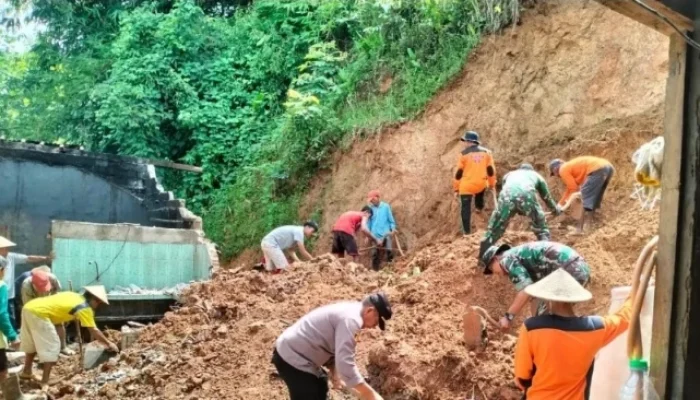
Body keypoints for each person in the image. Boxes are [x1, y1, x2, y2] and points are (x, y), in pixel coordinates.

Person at [514, 269, 632, 399]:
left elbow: (522, 378)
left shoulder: (531, 327)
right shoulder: (594, 328)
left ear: (549, 299)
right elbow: (624, 318)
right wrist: (636, 293)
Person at [272, 292, 392, 400]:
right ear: (369, 311)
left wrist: (335, 372)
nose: (373, 326)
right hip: (291, 357)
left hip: (297, 354)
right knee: (310, 393)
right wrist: (370, 395)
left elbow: (332, 345)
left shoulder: (352, 310)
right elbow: (345, 362)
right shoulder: (351, 319)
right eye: (376, 322)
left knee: (320, 386)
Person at [20, 285, 119, 386]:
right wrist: (108, 343)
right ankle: (45, 381)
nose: (98, 306)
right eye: (99, 303)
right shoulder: (85, 308)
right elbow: (93, 329)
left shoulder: (74, 296)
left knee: (32, 342)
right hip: (39, 313)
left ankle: (26, 372)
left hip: (29, 307)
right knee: (52, 345)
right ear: (96, 300)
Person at [480, 241, 590, 331]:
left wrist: (508, 317)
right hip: (579, 269)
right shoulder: (520, 256)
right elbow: (534, 296)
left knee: (546, 320)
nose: (495, 274)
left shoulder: (506, 259)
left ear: (495, 259)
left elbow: (525, 290)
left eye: (491, 269)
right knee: (548, 317)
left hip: (570, 270)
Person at [479, 163, 560, 258]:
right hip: (526, 195)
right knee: (541, 227)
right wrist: (555, 210)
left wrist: (514, 209)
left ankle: (483, 258)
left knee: (495, 228)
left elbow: (511, 191)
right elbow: (546, 197)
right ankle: (546, 255)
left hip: (506, 196)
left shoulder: (509, 174)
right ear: (531, 170)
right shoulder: (536, 176)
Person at [17, 267, 74, 356]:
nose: (43, 289)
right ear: (33, 284)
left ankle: (63, 347)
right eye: (41, 288)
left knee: (59, 322)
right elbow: (30, 307)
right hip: (35, 304)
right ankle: (38, 350)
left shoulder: (53, 279)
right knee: (37, 325)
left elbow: (57, 294)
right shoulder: (26, 286)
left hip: (50, 300)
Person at [549, 156, 614, 234]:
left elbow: (573, 189)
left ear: (555, 169)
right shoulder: (571, 167)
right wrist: (560, 204)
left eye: (554, 173)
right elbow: (570, 189)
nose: (556, 176)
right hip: (608, 167)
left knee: (585, 198)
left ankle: (579, 229)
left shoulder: (562, 170)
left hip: (597, 169)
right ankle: (588, 227)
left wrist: (561, 207)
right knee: (594, 198)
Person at [0, 236, 54, 330]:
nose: (7, 250)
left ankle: (12, 337)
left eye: (7, 248)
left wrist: (45, 258)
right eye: (5, 248)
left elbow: (28, 258)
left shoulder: (11, 257)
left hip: (9, 295)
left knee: (10, 317)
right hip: (2, 293)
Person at [452, 131, 497, 235]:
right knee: (480, 192)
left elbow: (458, 173)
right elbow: (491, 171)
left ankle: (467, 233)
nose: (464, 143)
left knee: (465, 210)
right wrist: (492, 184)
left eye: (465, 141)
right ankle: (478, 208)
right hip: (481, 184)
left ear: (469, 141)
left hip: (466, 186)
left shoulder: (463, 155)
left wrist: (456, 189)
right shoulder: (487, 153)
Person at [367, 190, 397, 271]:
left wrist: (393, 229)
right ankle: (374, 272)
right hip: (374, 235)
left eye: (373, 199)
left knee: (389, 250)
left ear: (377, 197)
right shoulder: (370, 209)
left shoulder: (386, 206)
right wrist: (368, 235)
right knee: (374, 254)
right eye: (371, 200)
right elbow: (369, 223)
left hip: (385, 234)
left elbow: (391, 221)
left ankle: (391, 268)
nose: (372, 201)